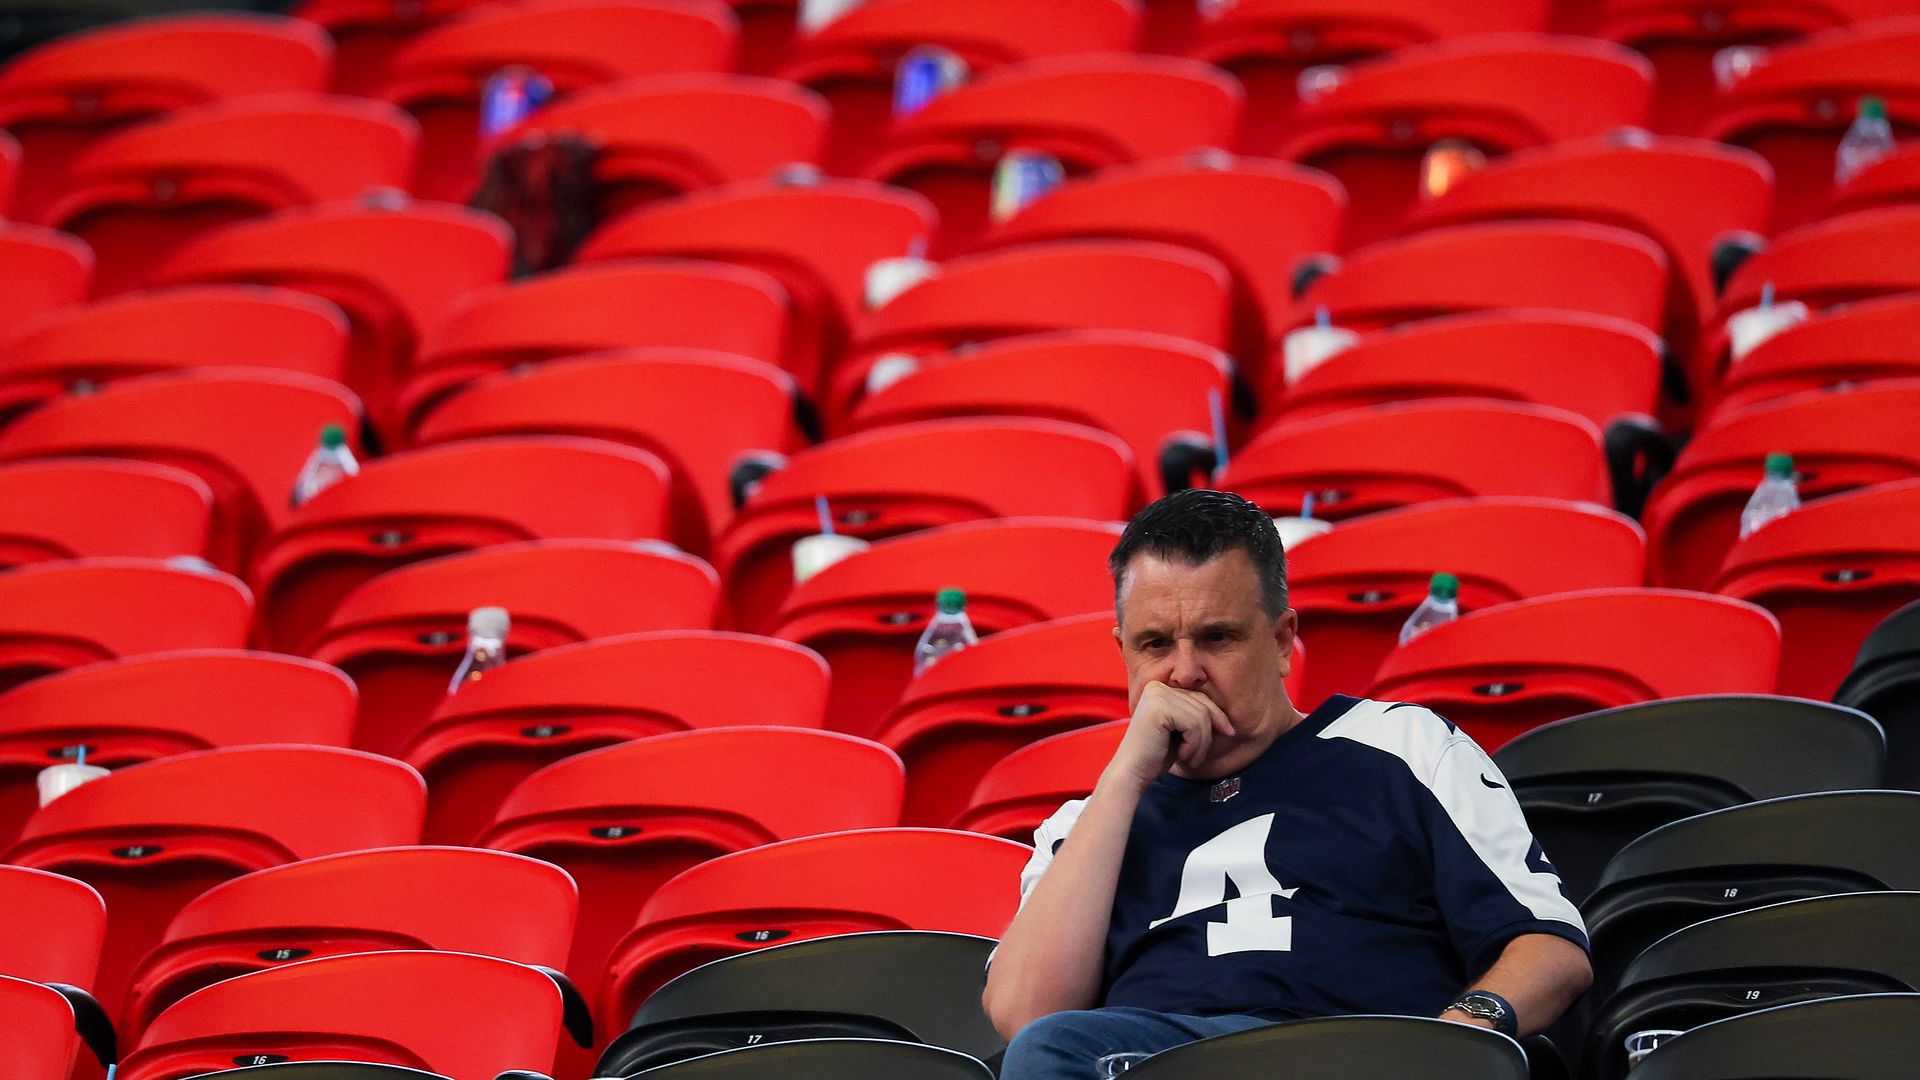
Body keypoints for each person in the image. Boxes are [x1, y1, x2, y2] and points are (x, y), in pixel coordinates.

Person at [983, 490, 1591, 1077]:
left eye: (1217, 637)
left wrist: (1457, 1036)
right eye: (1155, 645)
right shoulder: (1086, 826)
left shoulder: (1404, 745)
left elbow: (1550, 947)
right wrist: (1123, 781)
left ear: (1280, 642)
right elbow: (1026, 1018)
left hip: (1362, 1052)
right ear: (1123, 653)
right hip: (1161, 1062)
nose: (1184, 672)